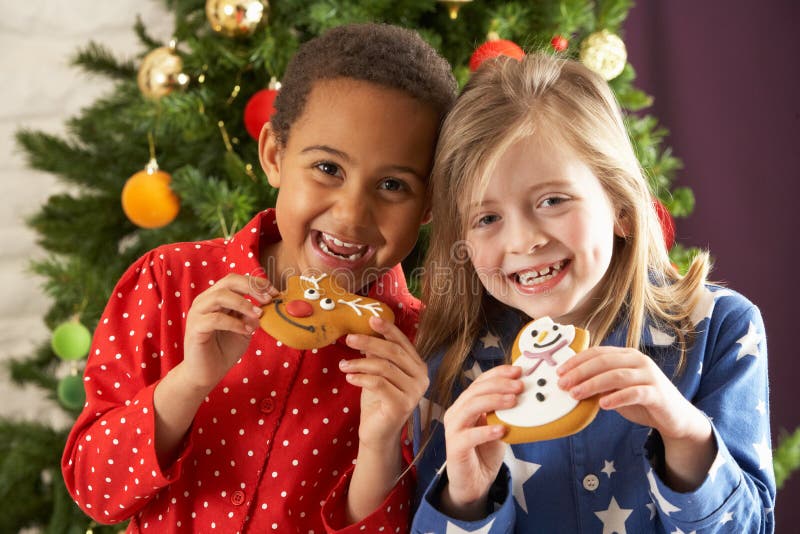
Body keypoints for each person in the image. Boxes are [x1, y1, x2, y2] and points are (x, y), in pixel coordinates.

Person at [62, 23, 456, 533]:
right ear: (274, 155)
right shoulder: (168, 282)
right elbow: (96, 491)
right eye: (327, 168)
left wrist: (380, 443)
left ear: (428, 205)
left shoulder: (424, 353)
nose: (351, 213)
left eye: (391, 184)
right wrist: (189, 381)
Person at [411, 52, 775, 533]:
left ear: (621, 207)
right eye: (487, 218)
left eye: (552, 200)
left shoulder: (720, 329)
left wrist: (684, 435)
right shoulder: (453, 367)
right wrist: (465, 496)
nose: (523, 241)